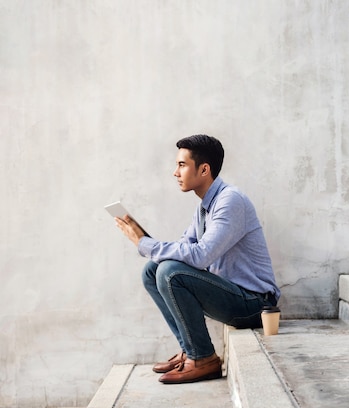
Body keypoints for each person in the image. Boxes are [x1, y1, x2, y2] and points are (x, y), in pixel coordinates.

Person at [114, 134, 280, 384]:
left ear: (204, 169)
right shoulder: (204, 207)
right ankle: (189, 349)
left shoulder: (230, 200)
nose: (175, 172)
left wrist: (143, 243)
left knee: (170, 271)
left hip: (256, 305)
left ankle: (203, 358)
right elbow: (185, 247)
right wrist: (146, 242)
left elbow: (201, 256)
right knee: (153, 269)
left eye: (182, 165)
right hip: (232, 295)